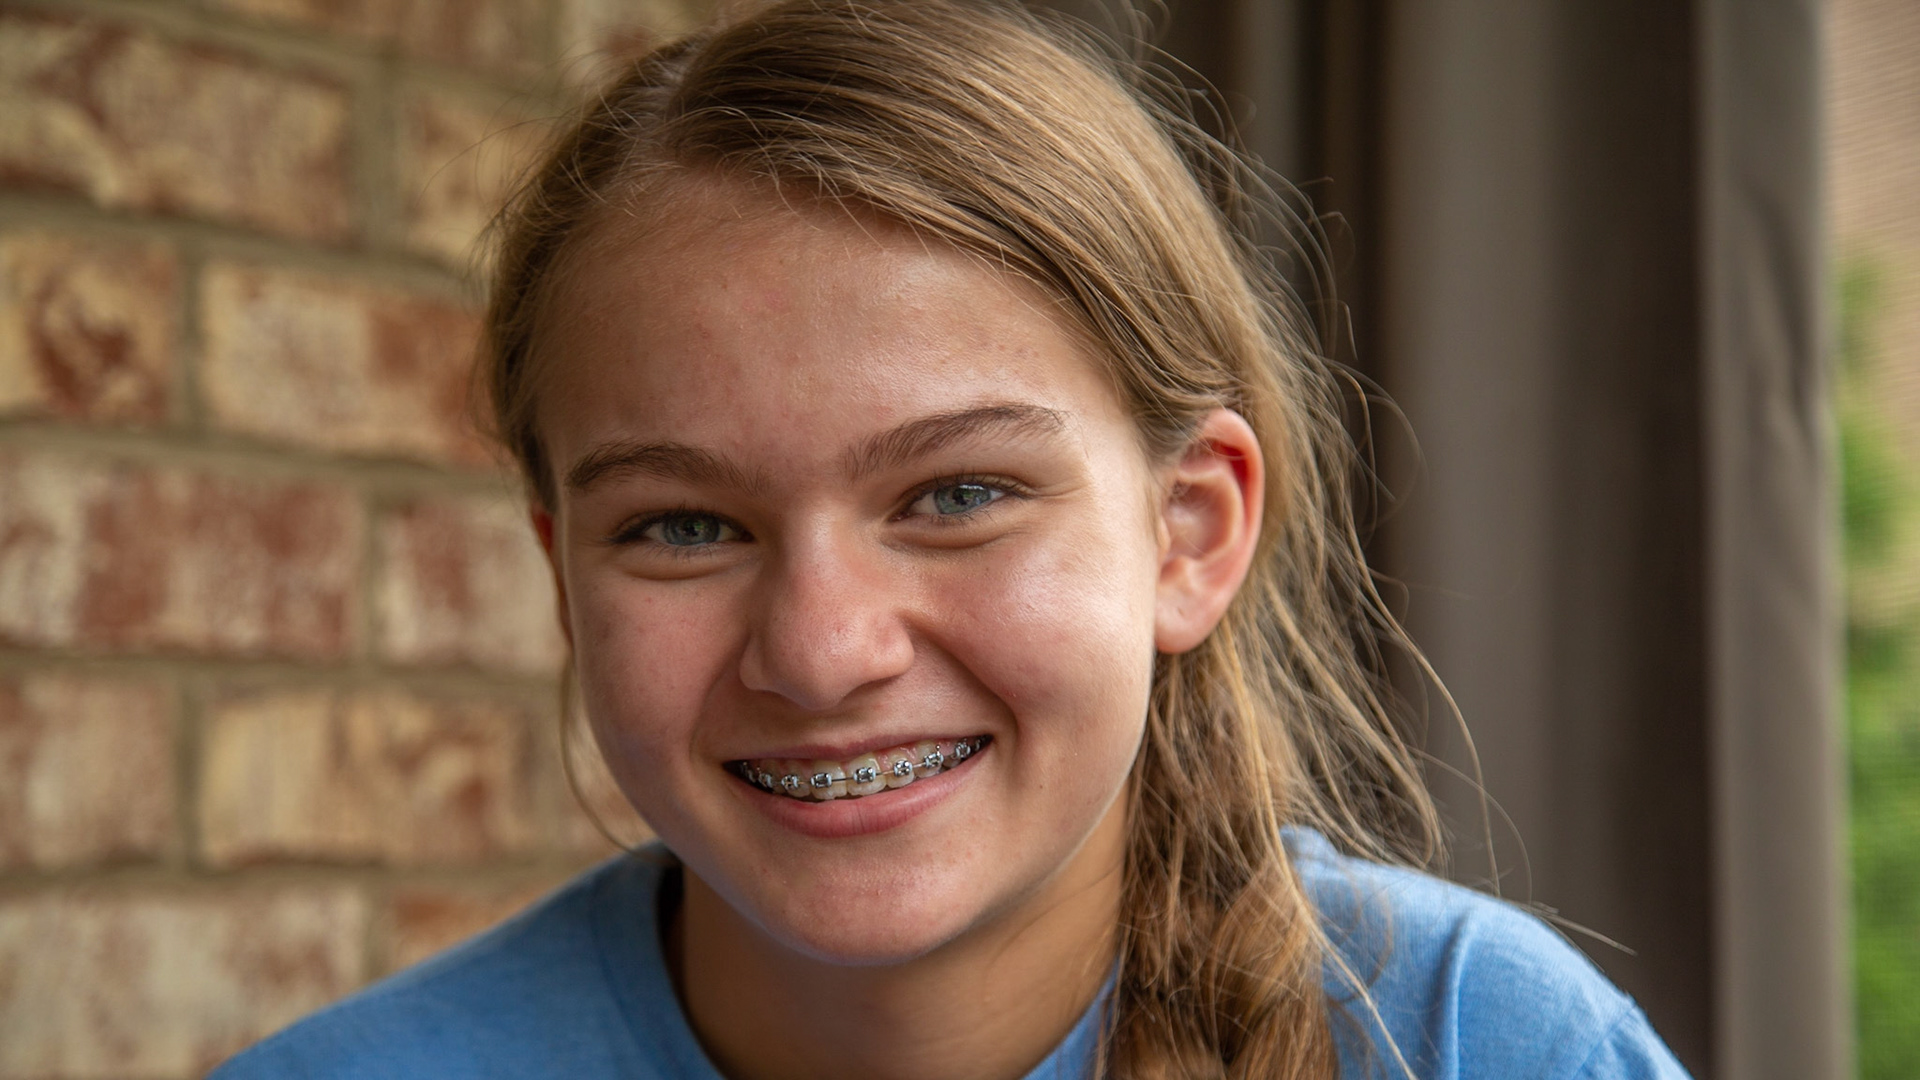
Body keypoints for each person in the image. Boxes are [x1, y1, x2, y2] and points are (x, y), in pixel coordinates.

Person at [213, 2, 1692, 1077]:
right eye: (679, 525)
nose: (821, 649)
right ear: (561, 574)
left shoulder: (1479, 1043)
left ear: (1191, 530)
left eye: (957, 495)